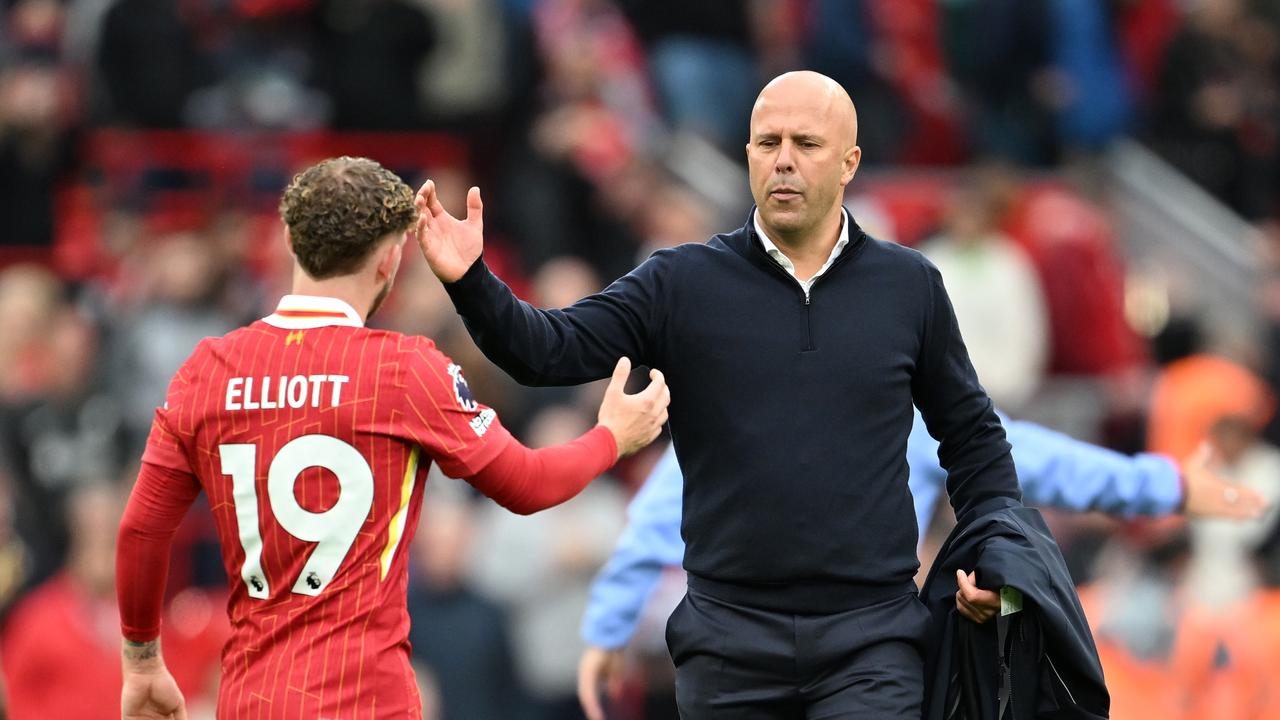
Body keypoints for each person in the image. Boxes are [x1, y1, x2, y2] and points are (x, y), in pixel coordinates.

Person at [417, 71, 1018, 717]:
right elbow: (546, 350)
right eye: (767, 142)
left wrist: (998, 561)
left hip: (872, 638)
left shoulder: (909, 286)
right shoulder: (682, 282)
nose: (783, 159)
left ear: (849, 164)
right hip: (729, 642)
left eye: (807, 144)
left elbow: (973, 437)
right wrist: (470, 280)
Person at [114, 156, 671, 720]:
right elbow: (526, 483)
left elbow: (141, 528)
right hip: (366, 700)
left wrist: (141, 661)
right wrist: (610, 438)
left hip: (254, 699)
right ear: (390, 259)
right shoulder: (402, 370)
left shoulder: (208, 370)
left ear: (288, 239)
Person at [576, 413, 1267, 718]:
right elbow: (658, 522)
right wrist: (610, 627)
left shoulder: (901, 412)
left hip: (867, 656)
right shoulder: (738, 410)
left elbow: (1024, 456)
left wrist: (1164, 486)